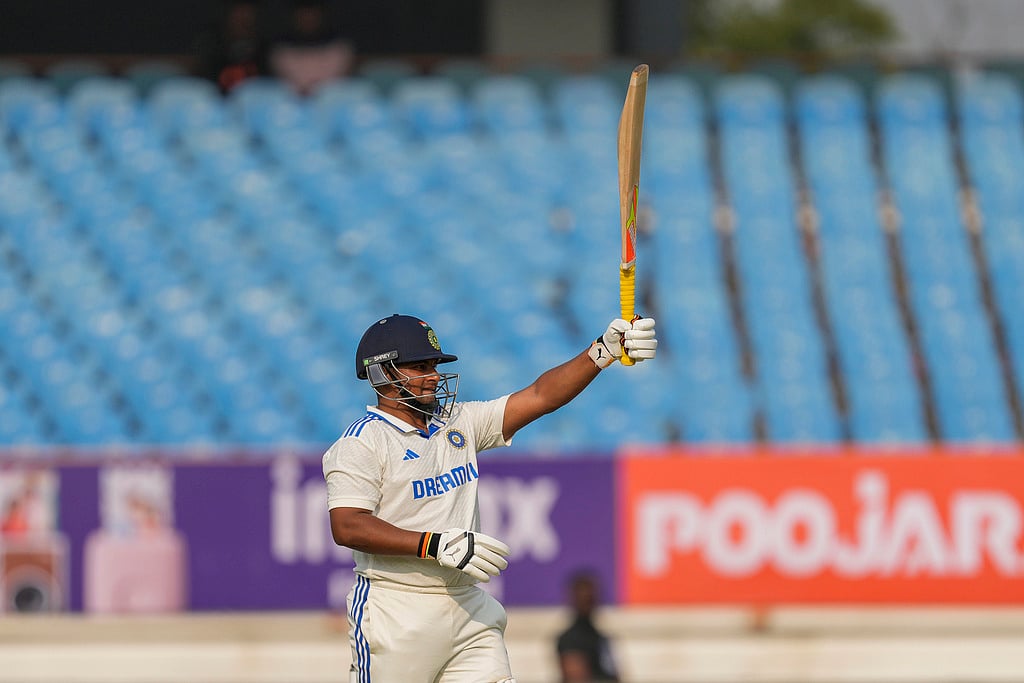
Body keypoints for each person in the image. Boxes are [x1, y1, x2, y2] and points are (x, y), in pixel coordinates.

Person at [322, 313, 657, 682]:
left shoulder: (458, 422)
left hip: (468, 605)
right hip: (396, 608)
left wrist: (601, 352)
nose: (434, 375)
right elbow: (348, 524)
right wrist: (431, 545)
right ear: (383, 373)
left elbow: (540, 396)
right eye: (420, 366)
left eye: (433, 364)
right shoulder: (361, 443)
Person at [267, 0, 354, 95]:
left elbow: (336, 80)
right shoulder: (281, 49)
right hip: (291, 102)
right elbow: (287, 80)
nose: (308, 19)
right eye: (303, 15)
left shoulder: (339, 46)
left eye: (312, 14)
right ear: (295, 17)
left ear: (321, 16)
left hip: (332, 100)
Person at [556, 571, 620, 682]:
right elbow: (577, 679)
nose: (588, 605)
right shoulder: (569, 639)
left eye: (591, 600)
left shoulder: (601, 638)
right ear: (574, 600)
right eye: (584, 600)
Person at [193, 0, 268, 93]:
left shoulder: (266, 51)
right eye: (239, 12)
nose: (245, 19)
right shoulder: (211, 46)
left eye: (248, 13)